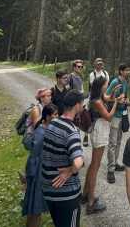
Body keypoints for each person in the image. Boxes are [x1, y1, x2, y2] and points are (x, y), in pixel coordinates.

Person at [41, 90, 85, 227]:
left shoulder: (52, 123)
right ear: (77, 105)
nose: (83, 106)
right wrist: (69, 171)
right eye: (82, 103)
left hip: (49, 190)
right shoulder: (71, 131)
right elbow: (78, 162)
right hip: (66, 195)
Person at [83, 75, 124, 213]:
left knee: (93, 164)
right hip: (99, 130)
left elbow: (108, 98)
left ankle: (85, 194)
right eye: (106, 85)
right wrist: (117, 104)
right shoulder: (97, 101)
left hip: (98, 129)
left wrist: (114, 96)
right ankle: (91, 202)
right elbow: (108, 116)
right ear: (101, 86)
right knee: (95, 166)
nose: (107, 87)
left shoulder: (98, 96)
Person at [23, 103, 58, 227]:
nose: (57, 117)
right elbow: (34, 150)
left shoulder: (44, 129)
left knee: (36, 205)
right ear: (47, 117)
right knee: (35, 205)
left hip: (40, 170)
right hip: (38, 171)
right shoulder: (42, 132)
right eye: (55, 115)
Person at [105, 64, 130, 183]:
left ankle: (115, 163)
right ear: (121, 71)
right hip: (115, 115)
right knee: (113, 142)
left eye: (129, 70)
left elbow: (124, 97)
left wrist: (126, 101)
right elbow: (106, 97)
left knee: (119, 141)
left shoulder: (125, 82)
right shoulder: (115, 82)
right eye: (126, 70)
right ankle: (110, 170)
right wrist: (116, 100)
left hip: (122, 114)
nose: (128, 72)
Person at [84, 58, 110, 147]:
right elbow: (93, 86)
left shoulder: (106, 73)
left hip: (102, 95)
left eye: (101, 64)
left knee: (101, 114)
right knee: (89, 115)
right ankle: (86, 134)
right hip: (94, 96)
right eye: (98, 64)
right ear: (95, 65)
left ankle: (99, 133)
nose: (100, 65)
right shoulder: (92, 74)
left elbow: (107, 85)